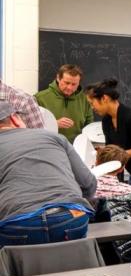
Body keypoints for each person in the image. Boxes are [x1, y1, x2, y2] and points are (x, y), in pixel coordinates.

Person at [0, 102, 96, 247]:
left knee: (15, 266)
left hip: (17, 224)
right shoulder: (53, 137)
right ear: (14, 119)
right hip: (71, 216)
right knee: (73, 264)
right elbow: (88, 183)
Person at [34, 64, 93, 142]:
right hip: (50, 145)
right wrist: (54, 124)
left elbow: (89, 125)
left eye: (74, 84)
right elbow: (32, 126)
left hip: (77, 146)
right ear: (58, 78)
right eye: (67, 83)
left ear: (79, 83)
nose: (70, 87)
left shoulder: (84, 99)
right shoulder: (40, 98)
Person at [92, 145, 131, 223]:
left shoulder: (87, 189)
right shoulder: (128, 190)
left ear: (96, 162)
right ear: (121, 169)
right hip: (123, 230)